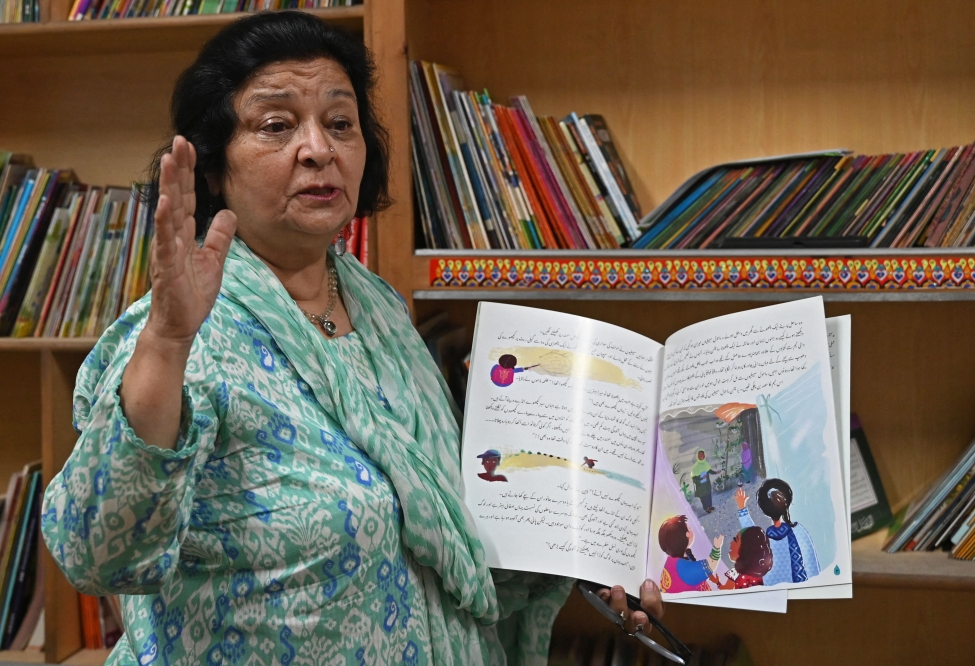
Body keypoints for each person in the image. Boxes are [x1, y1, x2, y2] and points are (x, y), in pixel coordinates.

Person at [41, 13, 665, 665]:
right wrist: (167, 342)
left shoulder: (381, 307)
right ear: (215, 164)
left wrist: (586, 554)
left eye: (340, 123)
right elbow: (95, 552)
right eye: (277, 125)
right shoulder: (179, 332)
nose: (318, 149)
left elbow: (442, 535)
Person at [735, 482, 821, 585]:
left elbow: (751, 535)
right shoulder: (799, 530)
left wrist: (742, 508)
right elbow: (812, 564)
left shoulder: (764, 541)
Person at [656, 515, 724, 593]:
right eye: (689, 528)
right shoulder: (685, 570)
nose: (691, 530)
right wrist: (717, 547)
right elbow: (709, 566)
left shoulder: (672, 559)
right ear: (687, 534)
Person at [690, 449, 719, 513]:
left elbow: (709, 471)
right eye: (700, 455)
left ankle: (710, 506)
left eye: (702, 454)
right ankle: (706, 508)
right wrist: (699, 480)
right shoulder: (695, 467)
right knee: (703, 497)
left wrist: (716, 472)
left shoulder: (705, 464)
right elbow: (693, 477)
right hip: (701, 486)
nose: (701, 456)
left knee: (708, 495)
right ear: (697, 456)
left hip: (706, 485)